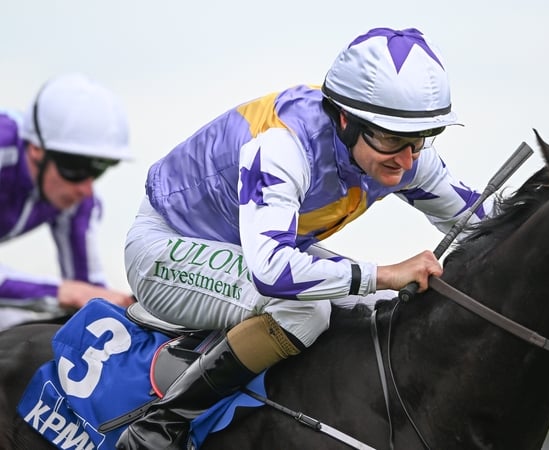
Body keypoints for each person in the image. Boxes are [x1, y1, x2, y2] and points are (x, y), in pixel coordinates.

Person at [117, 27, 494, 449]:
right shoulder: (284, 146)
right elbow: (272, 272)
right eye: (392, 139)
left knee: (386, 305)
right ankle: (159, 425)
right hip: (165, 247)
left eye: (419, 140)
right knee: (306, 312)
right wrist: (385, 273)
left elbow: (484, 222)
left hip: (247, 246)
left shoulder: (399, 152)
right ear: (346, 120)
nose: (407, 160)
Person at [0, 73, 135, 331]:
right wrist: (61, 292)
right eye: (76, 168)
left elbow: (89, 293)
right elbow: (73, 293)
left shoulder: (76, 198)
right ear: (36, 149)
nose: (86, 188)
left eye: (98, 171)